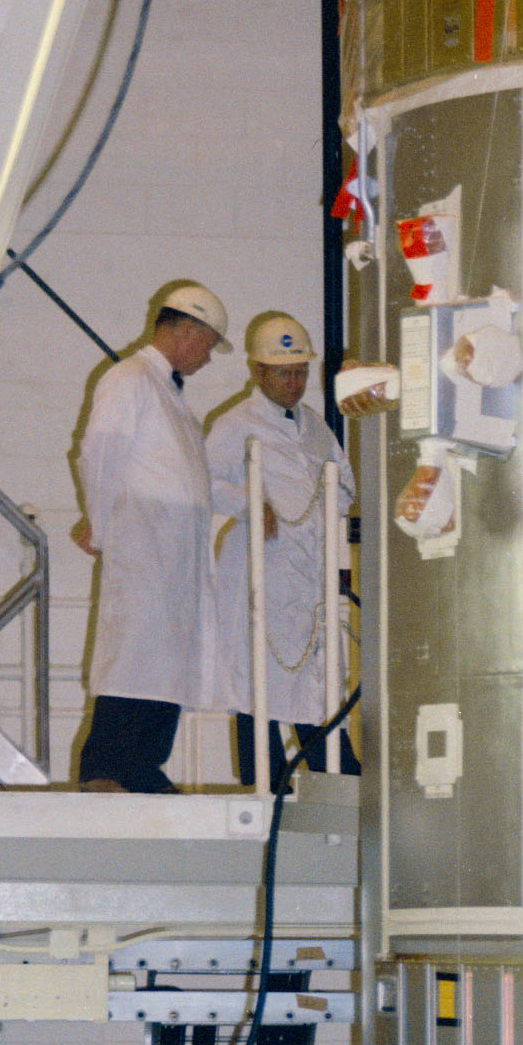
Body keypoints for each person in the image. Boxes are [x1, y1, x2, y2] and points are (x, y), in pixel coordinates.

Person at [72, 277, 233, 789]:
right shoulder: (130, 378)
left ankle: (141, 772)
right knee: (134, 660)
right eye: (207, 346)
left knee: (164, 666)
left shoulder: (169, 395)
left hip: (173, 557)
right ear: (186, 331)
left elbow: (194, 479)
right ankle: (107, 775)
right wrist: (100, 524)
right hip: (145, 547)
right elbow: (100, 451)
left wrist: (256, 504)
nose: (206, 359)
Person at [208, 309, 359, 782]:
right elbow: (203, 482)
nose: (293, 382)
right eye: (283, 372)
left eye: (300, 372)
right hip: (262, 570)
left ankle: (337, 779)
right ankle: (264, 783)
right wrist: (253, 502)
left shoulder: (315, 426)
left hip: (309, 575)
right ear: (258, 371)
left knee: (316, 682)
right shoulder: (236, 423)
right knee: (259, 680)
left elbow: (346, 487)